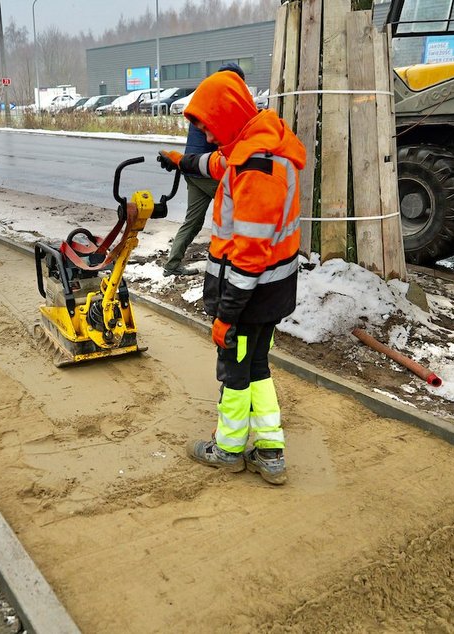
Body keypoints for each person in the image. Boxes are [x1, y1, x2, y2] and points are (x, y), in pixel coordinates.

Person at [157, 69, 305, 485]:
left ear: (225, 115)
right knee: (257, 366)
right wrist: (182, 160)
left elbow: (249, 256)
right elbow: (221, 163)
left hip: (249, 296)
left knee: (235, 374)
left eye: (206, 122)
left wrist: (226, 314)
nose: (202, 131)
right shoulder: (255, 145)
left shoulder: (258, 168)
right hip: (270, 294)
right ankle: (271, 452)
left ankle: (228, 448)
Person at [162, 63, 246, 277]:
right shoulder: (220, 102)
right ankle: (235, 265)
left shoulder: (204, 97)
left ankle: (172, 265)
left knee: (193, 221)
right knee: (238, 209)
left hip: (191, 169)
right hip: (205, 170)